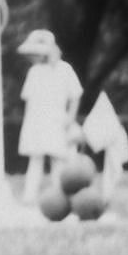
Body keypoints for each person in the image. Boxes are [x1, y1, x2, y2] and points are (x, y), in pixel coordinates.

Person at [14, 29, 84, 201]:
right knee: (35, 159)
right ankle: (29, 196)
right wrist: (29, 124)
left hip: (57, 120)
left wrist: (70, 118)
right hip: (37, 120)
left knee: (58, 159)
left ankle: (59, 196)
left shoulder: (65, 69)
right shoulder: (35, 71)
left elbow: (75, 96)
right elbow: (29, 99)